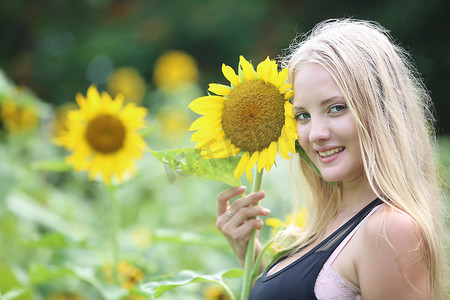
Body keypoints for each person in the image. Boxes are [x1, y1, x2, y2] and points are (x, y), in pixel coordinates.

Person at [215, 19, 448, 299]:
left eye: (336, 108)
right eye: (303, 115)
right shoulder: (326, 225)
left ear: (383, 109)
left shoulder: (389, 230)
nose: (315, 134)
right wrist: (251, 259)